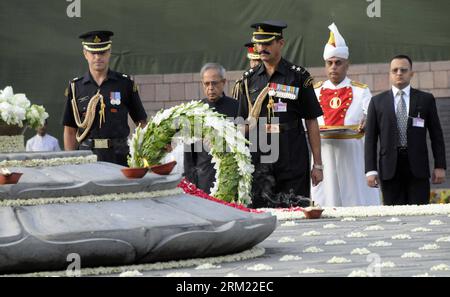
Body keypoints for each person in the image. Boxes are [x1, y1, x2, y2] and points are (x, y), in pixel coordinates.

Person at [236, 21, 323, 208]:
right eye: (259, 44)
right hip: (259, 154)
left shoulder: (299, 77)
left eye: (267, 43)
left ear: (281, 43)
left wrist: (318, 164)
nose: (262, 48)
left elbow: (311, 120)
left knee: (295, 208)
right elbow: (242, 123)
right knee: (260, 210)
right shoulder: (248, 80)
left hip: (291, 151)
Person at [311, 23, 380, 207]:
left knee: (356, 200)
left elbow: (371, 118)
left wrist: (367, 121)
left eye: (338, 63)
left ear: (347, 65)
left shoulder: (361, 91)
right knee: (326, 201)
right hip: (324, 153)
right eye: (330, 63)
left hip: (353, 154)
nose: (334, 67)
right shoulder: (314, 91)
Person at [365, 55, 447, 205]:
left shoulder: (425, 99)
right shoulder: (377, 102)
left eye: (403, 70)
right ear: (389, 74)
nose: (399, 73)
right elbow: (370, 139)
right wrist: (370, 170)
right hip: (390, 169)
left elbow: (436, 135)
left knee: (420, 213)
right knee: (394, 217)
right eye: (394, 70)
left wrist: (440, 166)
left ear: (411, 73)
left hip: (418, 168)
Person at [62, 30, 147, 166]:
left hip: (119, 156)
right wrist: (70, 162)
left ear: (109, 53)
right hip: (86, 156)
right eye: (93, 53)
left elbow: (141, 123)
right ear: (85, 54)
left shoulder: (124, 83)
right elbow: (70, 130)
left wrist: (148, 151)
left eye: (102, 52)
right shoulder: (76, 87)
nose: (97, 57)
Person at [184, 63, 239, 194]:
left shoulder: (237, 107)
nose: (210, 88)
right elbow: (188, 153)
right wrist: (190, 182)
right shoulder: (195, 110)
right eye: (206, 84)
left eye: (214, 83)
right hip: (204, 177)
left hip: (232, 177)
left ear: (224, 82)